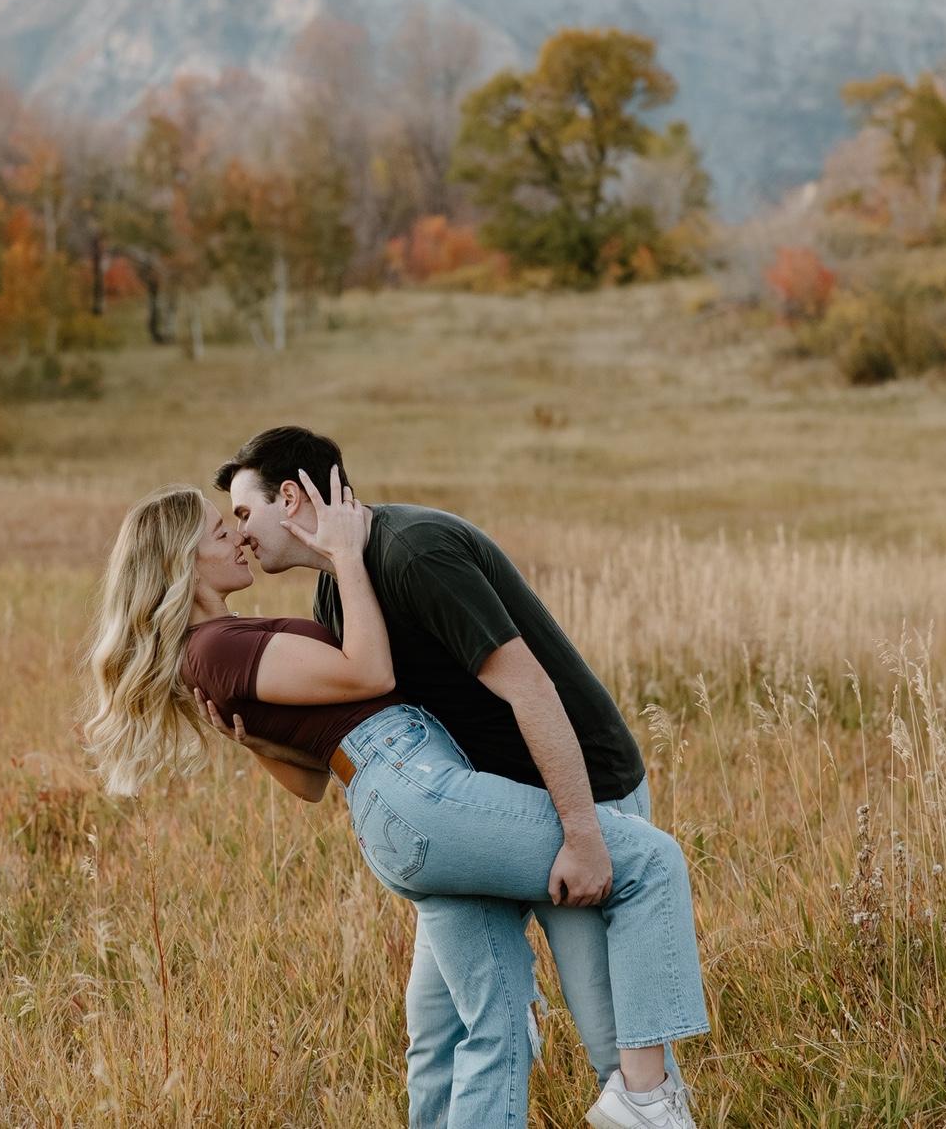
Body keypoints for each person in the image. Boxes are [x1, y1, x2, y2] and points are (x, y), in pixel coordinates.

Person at [80, 467, 708, 1129]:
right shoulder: (215, 648)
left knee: (489, 1019)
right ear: (182, 561)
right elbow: (371, 671)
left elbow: (311, 780)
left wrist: (257, 740)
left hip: (397, 798)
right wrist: (346, 556)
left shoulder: (219, 645)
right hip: (416, 791)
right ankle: (644, 1098)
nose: (237, 537)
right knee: (649, 859)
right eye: (219, 531)